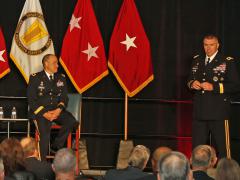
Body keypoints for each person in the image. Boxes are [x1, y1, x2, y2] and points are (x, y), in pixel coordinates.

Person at [187, 34, 240, 158]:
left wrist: (214, 87)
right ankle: (197, 175)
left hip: (219, 113)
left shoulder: (226, 61)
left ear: (218, 45)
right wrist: (192, 84)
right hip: (200, 112)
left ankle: (225, 176)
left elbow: (235, 86)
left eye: (211, 45)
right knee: (197, 151)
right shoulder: (197, 59)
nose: (208, 48)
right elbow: (189, 79)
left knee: (224, 151)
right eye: (206, 45)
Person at [27, 54, 76, 160]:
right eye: (54, 63)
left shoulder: (61, 78)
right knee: (44, 136)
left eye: (57, 63)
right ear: (46, 64)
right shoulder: (35, 78)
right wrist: (45, 113)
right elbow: (31, 99)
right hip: (41, 113)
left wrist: (58, 110)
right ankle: (43, 165)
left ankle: (56, 146)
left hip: (56, 111)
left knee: (71, 121)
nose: (57, 65)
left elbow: (64, 98)